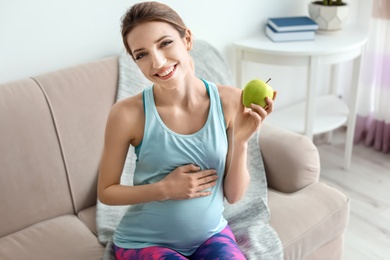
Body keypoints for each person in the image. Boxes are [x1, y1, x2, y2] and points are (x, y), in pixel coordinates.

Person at [98, 2, 276, 259]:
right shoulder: (126, 114)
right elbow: (106, 191)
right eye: (141, 54)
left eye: (165, 43)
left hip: (211, 236)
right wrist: (165, 189)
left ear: (187, 39)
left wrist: (241, 141)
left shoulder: (230, 101)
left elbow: (235, 196)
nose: (157, 62)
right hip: (144, 243)